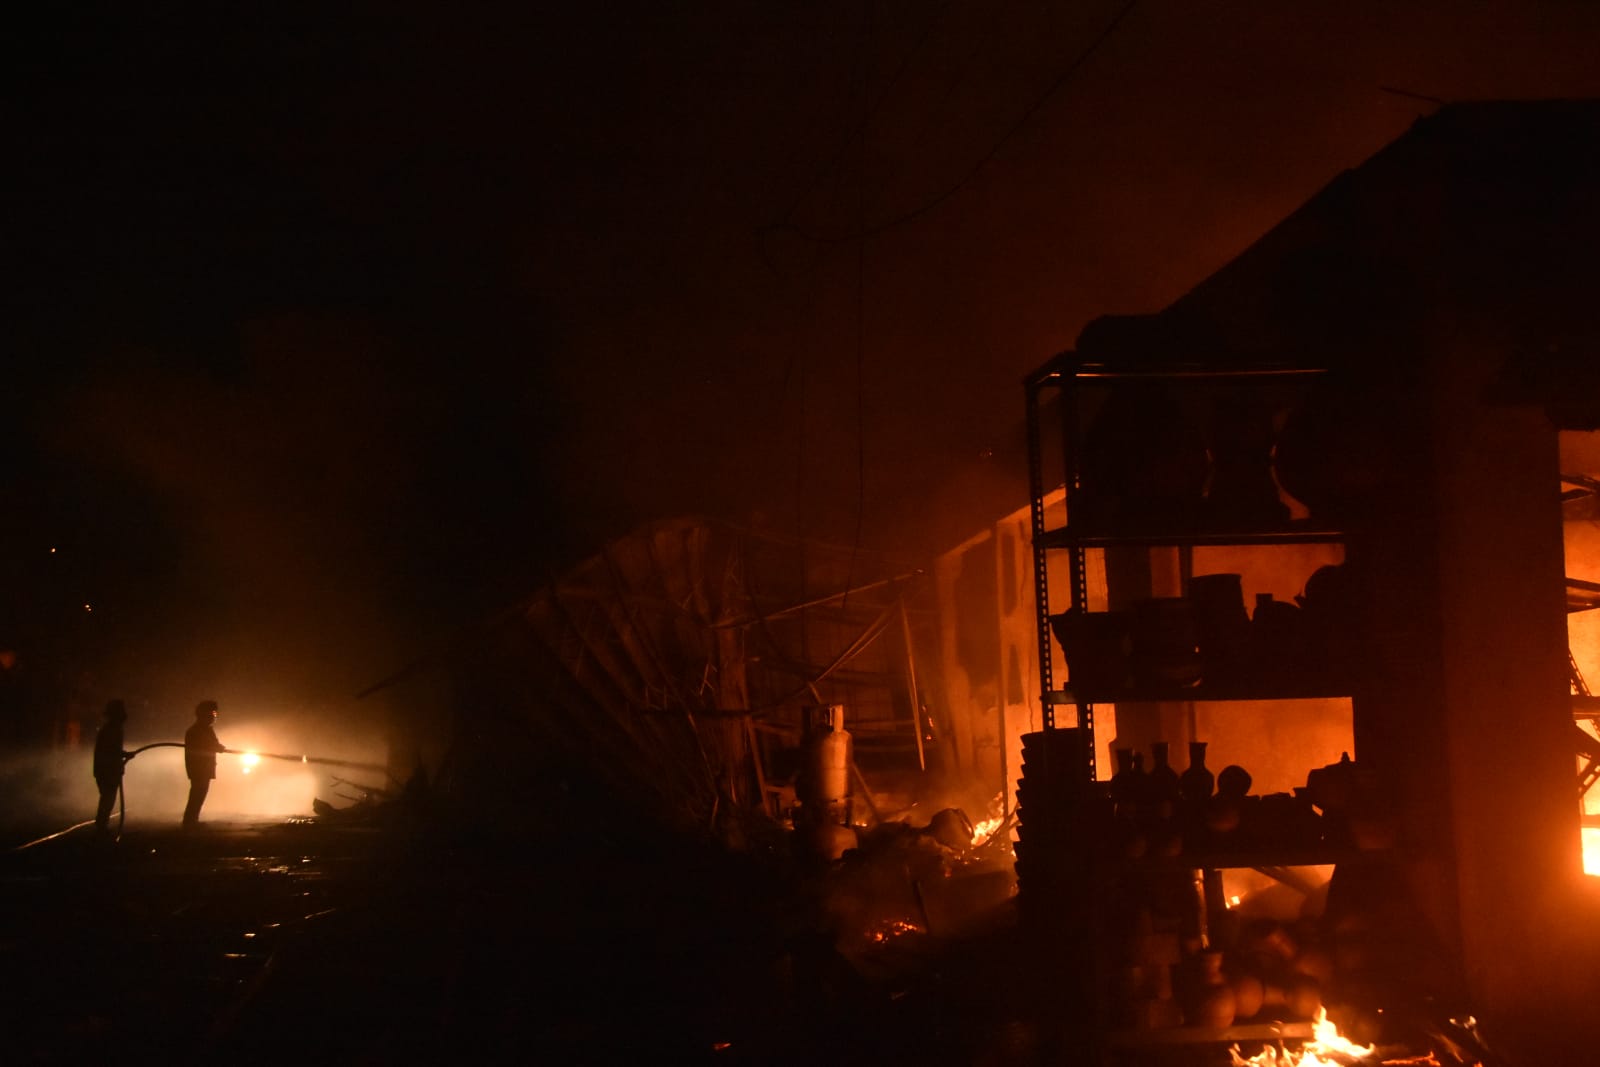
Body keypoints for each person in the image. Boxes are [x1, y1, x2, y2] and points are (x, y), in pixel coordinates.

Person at [182, 699, 228, 830]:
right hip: (199, 768)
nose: (214, 716)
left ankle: (192, 820)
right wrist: (216, 747)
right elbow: (206, 745)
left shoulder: (205, 729)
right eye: (213, 713)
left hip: (204, 767)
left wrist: (218, 747)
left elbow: (212, 744)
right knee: (198, 793)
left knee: (200, 793)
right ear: (204, 714)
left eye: (215, 713)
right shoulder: (196, 730)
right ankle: (190, 821)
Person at [93, 699, 129, 836]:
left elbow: (112, 750)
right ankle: (101, 825)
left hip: (107, 770)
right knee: (108, 798)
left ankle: (102, 824)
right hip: (107, 770)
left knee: (108, 798)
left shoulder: (112, 729)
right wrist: (124, 755)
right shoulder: (112, 730)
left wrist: (123, 755)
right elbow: (111, 750)